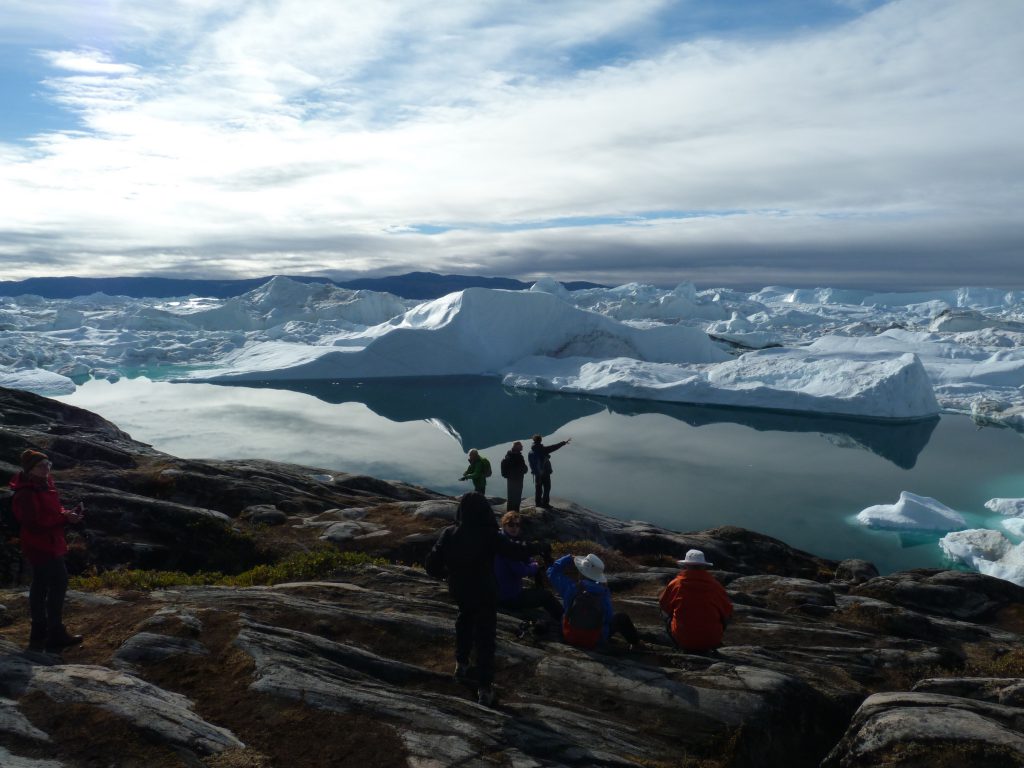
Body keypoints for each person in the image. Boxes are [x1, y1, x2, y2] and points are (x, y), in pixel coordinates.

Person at [424, 492, 535, 707]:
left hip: (460, 590)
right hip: (485, 592)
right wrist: (535, 548)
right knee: (485, 637)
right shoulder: (490, 535)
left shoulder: (449, 533)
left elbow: (431, 566)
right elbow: (515, 552)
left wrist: (448, 574)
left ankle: (461, 664)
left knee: (464, 620)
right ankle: (484, 688)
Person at [9, 449, 84, 653]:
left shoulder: (45, 484)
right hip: (40, 545)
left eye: (48, 464)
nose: (46, 469)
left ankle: (40, 634)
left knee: (42, 584)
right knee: (57, 583)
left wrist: (65, 514)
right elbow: (34, 524)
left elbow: (52, 511)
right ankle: (54, 633)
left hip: (49, 542)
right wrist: (64, 519)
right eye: (41, 466)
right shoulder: (26, 493)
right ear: (30, 469)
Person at [547, 552, 641, 650]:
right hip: (594, 640)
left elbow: (552, 571)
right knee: (622, 617)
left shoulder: (571, 587)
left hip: (569, 635)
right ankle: (636, 644)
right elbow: (608, 618)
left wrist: (568, 558)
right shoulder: (603, 593)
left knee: (565, 612)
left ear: (581, 571)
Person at [494, 511, 562, 626]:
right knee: (546, 596)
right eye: (511, 524)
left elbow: (522, 555)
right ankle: (566, 622)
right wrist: (534, 566)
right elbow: (521, 571)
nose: (515, 528)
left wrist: (529, 560)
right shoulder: (508, 548)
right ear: (503, 525)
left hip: (497, 592)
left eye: (517, 525)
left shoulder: (501, 539)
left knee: (537, 591)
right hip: (508, 597)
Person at [658, 549, 733, 652]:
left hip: (683, 640)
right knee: (725, 614)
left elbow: (664, 604)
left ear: (686, 565)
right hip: (711, 640)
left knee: (664, 610)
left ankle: (679, 642)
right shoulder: (715, 585)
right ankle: (710, 640)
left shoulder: (676, 584)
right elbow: (727, 611)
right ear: (704, 566)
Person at [529, 434, 571, 509]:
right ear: (540, 440)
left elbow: (530, 463)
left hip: (537, 473)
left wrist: (534, 471)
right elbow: (554, 447)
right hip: (545, 472)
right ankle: (545, 504)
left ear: (534, 441)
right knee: (547, 488)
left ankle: (538, 504)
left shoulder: (531, 451)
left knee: (538, 489)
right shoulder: (543, 449)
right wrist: (563, 443)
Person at [499, 442, 528, 512]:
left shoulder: (508, 455)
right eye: (521, 446)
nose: (522, 447)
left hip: (510, 479)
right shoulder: (518, 457)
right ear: (517, 447)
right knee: (517, 496)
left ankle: (509, 513)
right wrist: (524, 470)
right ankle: (515, 512)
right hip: (518, 479)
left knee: (511, 496)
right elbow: (523, 468)